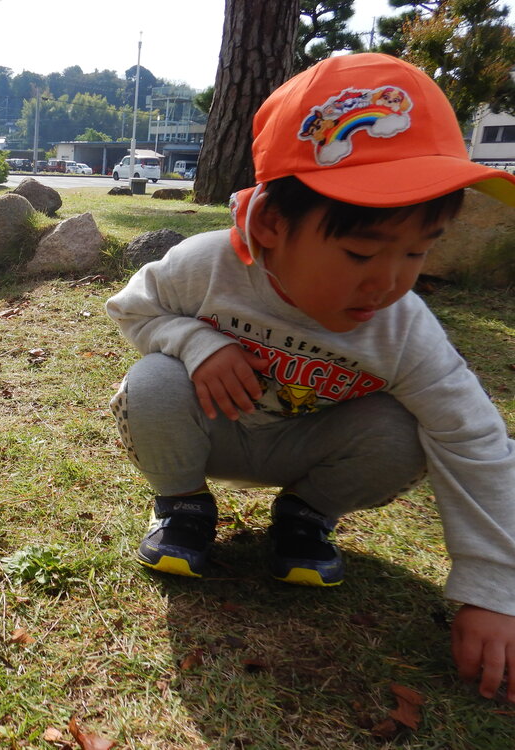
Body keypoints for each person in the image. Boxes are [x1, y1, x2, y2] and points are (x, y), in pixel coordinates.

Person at [106, 53, 515, 702]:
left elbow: (474, 439)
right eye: (360, 251)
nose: (388, 282)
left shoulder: (402, 328)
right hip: (213, 431)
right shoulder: (208, 266)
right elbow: (132, 309)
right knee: (154, 381)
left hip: (311, 449)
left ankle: (305, 517)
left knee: (406, 430)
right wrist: (196, 342)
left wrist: (493, 588)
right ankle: (183, 506)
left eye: (417, 250)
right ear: (272, 224)